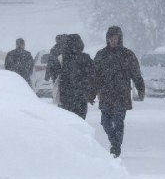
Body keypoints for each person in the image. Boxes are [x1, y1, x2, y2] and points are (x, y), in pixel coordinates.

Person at [92, 26, 145, 158]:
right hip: (106, 94)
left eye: (116, 38)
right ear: (107, 39)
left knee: (119, 121)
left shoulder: (127, 55)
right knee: (105, 121)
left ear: (120, 39)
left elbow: (136, 73)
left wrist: (140, 87)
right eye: (111, 38)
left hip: (121, 93)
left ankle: (116, 148)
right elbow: (94, 75)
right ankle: (114, 141)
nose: (113, 41)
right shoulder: (101, 55)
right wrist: (93, 91)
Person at [57, 34, 95, 119]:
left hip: (67, 97)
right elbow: (92, 76)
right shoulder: (85, 58)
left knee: (68, 122)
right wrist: (91, 91)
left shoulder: (63, 58)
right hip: (81, 96)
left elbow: (58, 75)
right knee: (80, 121)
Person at [45, 34, 66, 104]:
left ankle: (60, 102)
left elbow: (50, 62)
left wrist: (47, 75)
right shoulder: (68, 48)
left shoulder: (54, 49)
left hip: (56, 73)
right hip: (66, 73)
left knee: (57, 89)